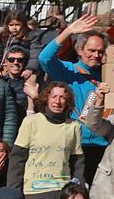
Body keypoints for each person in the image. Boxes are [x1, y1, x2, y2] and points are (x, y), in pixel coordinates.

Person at [38, 10, 109, 179]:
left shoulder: (109, 74)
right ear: (79, 50)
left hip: (103, 144)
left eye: (100, 51)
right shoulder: (67, 70)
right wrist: (68, 31)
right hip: (73, 144)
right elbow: (44, 58)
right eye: (91, 50)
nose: (96, 55)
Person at [11, 81, 87, 199]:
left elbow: (77, 162)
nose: (57, 101)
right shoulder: (31, 122)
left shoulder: (74, 126)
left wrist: (77, 190)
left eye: (62, 97)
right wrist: (14, 193)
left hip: (61, 195)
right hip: (32, 193)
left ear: (67, 101)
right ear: (46, 98)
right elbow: (17, 159)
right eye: (54, 96)